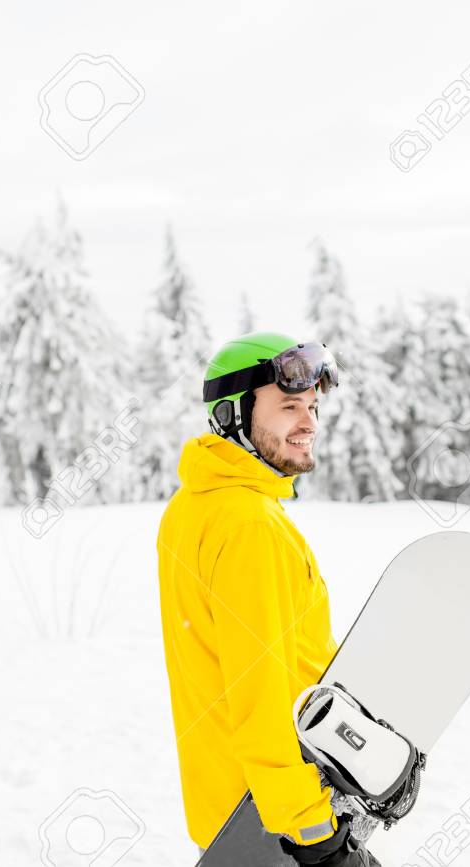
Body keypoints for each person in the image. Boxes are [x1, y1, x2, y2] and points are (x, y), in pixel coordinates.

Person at [157, 332, 380, 866]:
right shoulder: (249, 525)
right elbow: (260, 691)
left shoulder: (193, 506)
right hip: (276, 825)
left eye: (312, 406)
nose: (308, 423)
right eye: (287, 406)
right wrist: (315, 836)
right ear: (233, 413)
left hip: (230, 813)